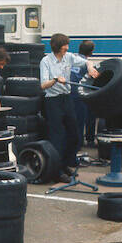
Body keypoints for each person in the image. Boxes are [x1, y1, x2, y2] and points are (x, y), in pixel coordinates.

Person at [40, 33, 98, 182]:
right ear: (57, 47)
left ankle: (65, 164)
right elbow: (42, 85)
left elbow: (85, 62)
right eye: (65, 45)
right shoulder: (46, 61)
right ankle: (57, 171)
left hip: (67, 99)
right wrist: (55, 80)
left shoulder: (69, 57)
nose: (67, 47)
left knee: (74, 135)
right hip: (52, 101)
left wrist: (90, 68)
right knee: (57, 137)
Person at [70, 40, 96, 149]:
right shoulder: (86, 64)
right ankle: (87, 141)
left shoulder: (73, 60)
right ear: (90, 53)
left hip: (69, 91)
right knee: (87, 116)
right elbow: (93, 77)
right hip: (80, 93)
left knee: (75, 118)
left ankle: (76, 141)